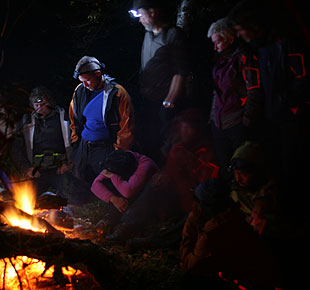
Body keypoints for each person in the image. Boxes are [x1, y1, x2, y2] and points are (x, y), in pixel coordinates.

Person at [226, 0, 310, 214]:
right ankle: (277, 213)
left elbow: (304, 79)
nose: (239, 35)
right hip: (272, 119)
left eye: (240, 29)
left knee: (295, 167)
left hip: (293, 120)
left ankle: (299, 215)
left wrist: (290, 105)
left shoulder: (285, 43)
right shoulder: (261, 49)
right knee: (277, 168)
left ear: (253, 25)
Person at [105, 109, 219, 243]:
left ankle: (152, 241)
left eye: (188, 127)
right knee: (150, 185)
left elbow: (203, 188)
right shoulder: (178, 148)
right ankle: (128, 225)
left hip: (190, 203)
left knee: (186, 222)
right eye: (183, 126)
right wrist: (163, 176)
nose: (184, 131)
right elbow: (170, 171)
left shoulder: (206, 154)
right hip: (172, 197)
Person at [180, 178, 282, 290]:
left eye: (196, 201)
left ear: (204, 206)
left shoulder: (212, 232)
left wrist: (191, 221)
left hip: (251, 286)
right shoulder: (234, 212)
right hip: (263, 274)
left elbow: (189, 264)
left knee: (189, 283)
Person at [129, 0, 194, 165]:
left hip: (165, 104)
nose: (139, 20)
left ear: (153, 12)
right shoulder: (148, 34)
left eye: (141, 15)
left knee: (167, 145)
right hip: (148, 100)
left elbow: (181, 72)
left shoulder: (172, 34)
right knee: (149, 143)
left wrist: (169, 103)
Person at [12, 86, 93, 205]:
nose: (39, 108)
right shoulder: (26, 121)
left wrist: (69, 164)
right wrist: (27, 168)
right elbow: (16, 148)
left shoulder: (65, 118)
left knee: (77, 198)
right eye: (36, 105)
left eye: (43, 104)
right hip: (36, 172)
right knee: (24, 201)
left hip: (60, 171)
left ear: (51, 103)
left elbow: (79, 144)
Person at [207, 18, 264, 175]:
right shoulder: (220, 61)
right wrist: (212, 116)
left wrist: (246, 121)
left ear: (230, 39)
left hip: (236, 123)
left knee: (241, 167)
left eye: (218, 42)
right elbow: (216, 92)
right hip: (219, 123)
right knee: (224, 166)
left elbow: (254, 90)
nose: (215, 47)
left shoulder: (244, 58)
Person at [69, 56, 135, 186]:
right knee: (80, 180)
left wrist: (118, 152)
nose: (85, 85)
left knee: (105, 182)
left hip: (105, 146)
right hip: (84, 144)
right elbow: (74, 118)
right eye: (82, 81)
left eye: (87, 80)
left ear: (98, 74)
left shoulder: (117, 93)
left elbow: (127, 127)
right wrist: (75, 142)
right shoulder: (80, 91)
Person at [91, 150, 159, 228]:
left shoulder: (144, 165)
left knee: (123, 188)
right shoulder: (117, 159)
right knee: (109, 184)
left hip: (151, 199)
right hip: (130, 190)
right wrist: (113, 199)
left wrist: (113, 176)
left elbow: (128, 192)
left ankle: (129, 223)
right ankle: (111, 219)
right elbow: (95, 185)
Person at [228, 141, 281, 236]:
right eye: (236, 173)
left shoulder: (271, 191)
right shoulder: (234, 191)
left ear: (255, 171)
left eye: (244, 174)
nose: (238, 179)